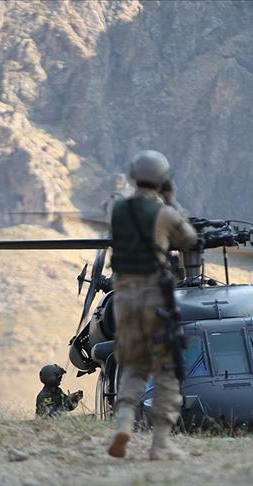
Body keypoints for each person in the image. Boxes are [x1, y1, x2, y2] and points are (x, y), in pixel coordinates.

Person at [106, 150, 197, 461]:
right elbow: (189, 238)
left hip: (123, 298)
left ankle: (124, 424)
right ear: (163, 179)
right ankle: (160, 443)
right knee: (166, 366)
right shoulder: (165, 215)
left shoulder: (117, 210)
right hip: (155, 297)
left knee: (133, 364)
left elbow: (112, 211)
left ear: (133, 174)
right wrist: (171, 201)